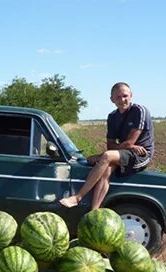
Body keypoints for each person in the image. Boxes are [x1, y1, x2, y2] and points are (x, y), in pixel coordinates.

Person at [60, 82, 154, 210]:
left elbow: (129, 142)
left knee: (106, 156)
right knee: (105, 169)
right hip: (125, 152)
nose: (122, 100)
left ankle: (78, 197)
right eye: (118, 97)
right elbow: (111, 144)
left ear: (131, 95)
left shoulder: (139, 111)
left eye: (125, 96)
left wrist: (129, 146)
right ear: (112, 99)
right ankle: (94, 212)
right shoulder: (112, 117)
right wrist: (129, 146)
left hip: (141, 155)